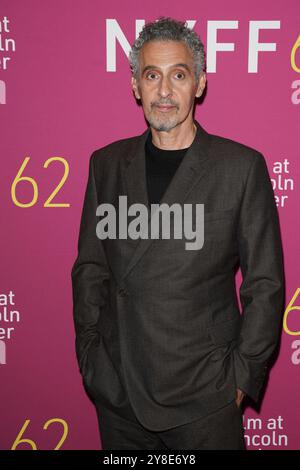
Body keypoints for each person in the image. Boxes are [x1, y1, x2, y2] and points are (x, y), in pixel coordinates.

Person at [71, 16, 285, 450]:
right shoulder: (106, 165)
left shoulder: (239, 168)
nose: (164, 91)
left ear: (200, 84)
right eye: (152, 75)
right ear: (136, 86)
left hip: (204, 400)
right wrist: (92, 356)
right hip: (121, 395)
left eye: (178, 75)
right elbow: (90, 269)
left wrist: (241, 378)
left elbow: (265, 284)